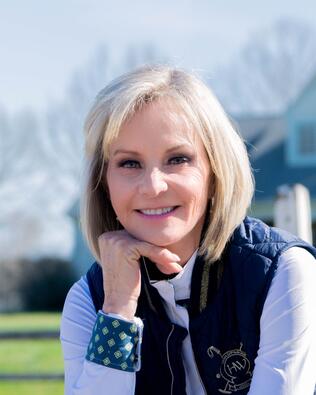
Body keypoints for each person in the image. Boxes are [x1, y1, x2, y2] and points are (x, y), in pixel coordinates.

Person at [60, 65, 316, 395]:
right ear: (103, 183)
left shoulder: (282, 273)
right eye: (129, 163)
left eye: (178, 159)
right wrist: (118, 310)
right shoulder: (88, 301)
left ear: (215, 172)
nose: (153, 186)